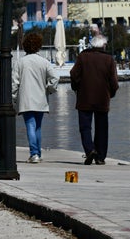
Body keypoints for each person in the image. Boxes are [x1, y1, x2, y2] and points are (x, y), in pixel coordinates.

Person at [70, 34, 119, 165]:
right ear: (103, 45)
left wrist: (76, 88)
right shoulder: (109, 59)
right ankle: (100, 157)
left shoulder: (83, 57)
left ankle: (90, 150)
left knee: (85, 127)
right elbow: (114, 81)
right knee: (102, 128)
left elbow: (73, 74)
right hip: (102, 98)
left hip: (84, 98)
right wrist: (111, 93)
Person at [12, 33, 59, 164]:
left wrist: (13, 98)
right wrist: (49, 89)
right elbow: (55, 78)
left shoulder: (20, 62)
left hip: (26, 100)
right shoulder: (44, 62)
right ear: (39, 46)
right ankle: (37, 152)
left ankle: (34, 154)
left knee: (30, 126)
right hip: (41, 99)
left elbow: (14, 83)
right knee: (38, 127)